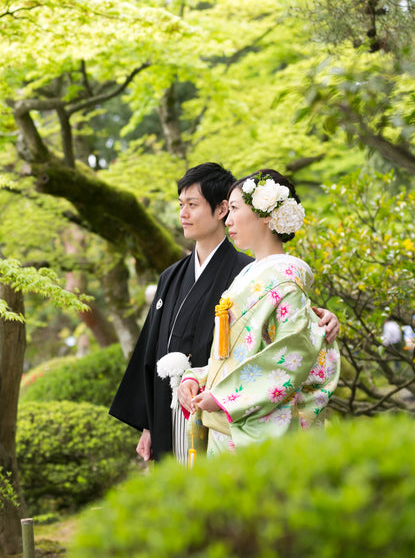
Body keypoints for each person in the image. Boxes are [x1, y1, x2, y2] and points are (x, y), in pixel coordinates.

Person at [109, 163, 339, 463]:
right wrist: (150, 419)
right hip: (189, 401)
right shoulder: (179, 276)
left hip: (228, 410)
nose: (183, 214)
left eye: (192, 205)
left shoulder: (259, 272)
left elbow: (288, 347)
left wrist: (320, 318)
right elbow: (157, 349)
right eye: (181, 205)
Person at [177, 170, 341, 458]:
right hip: (230, 422)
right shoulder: (251, 275)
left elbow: (292, 354)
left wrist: (227, 396)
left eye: (235, 209)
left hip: (253, 430)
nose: (227, 220)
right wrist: (197, 378)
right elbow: (238, 356)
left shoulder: (286, 280)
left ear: (266, 214)